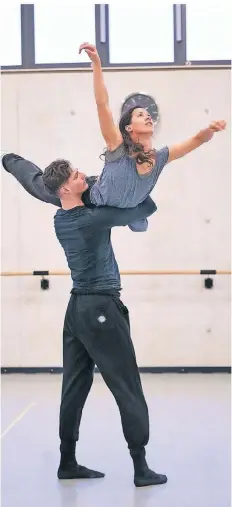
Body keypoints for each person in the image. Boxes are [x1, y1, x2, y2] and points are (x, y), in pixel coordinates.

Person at [2, 153, 167, 487]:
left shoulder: (61, 216)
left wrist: (8, 160)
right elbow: (144, 208)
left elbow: (32, 177)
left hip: (77, 310)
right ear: (64, 190)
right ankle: (141, 467)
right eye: (78, 176)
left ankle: (67, 462)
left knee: (74, 385)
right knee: (126, 384)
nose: (85, 177)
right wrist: (136, 180)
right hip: (100, 308)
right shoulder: (92, 218)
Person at [77, 42, 226, 231]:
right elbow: (102, 104)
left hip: (129, 207)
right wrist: (97, 65)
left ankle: (135, 214)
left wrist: (210, 130)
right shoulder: (117, 145)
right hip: (98, 203)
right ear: (129, 127)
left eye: (148, 114)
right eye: (140, 114)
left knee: (141, 222)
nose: (147, 115)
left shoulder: (161, 156)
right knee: (56, 186)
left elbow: (198, 139)